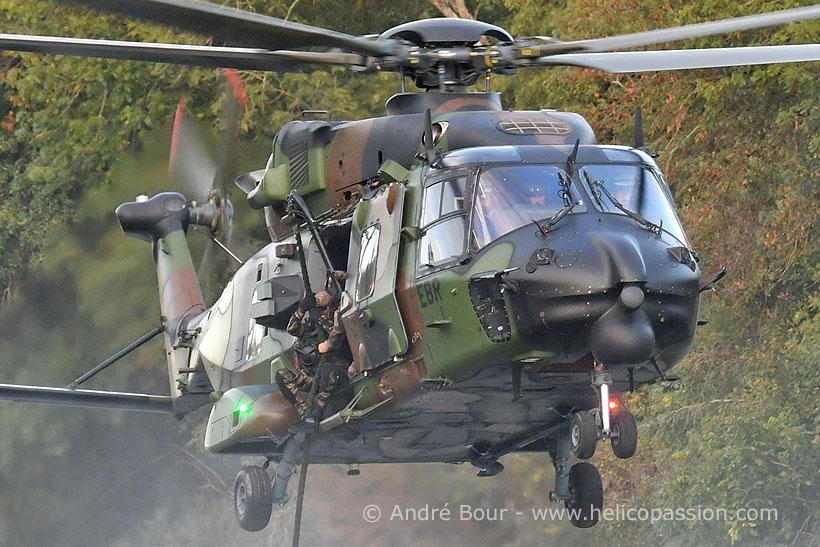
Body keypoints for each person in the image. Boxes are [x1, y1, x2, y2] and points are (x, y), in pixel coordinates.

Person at [275, 279, 349, 431]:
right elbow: (292, 329)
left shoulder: (336, 319)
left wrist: (320, 319)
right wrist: (302, 308)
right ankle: (304, 412)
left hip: (334, 375)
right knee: (282, 375)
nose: (322, 311)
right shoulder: (310, 327)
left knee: (329, 369)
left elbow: (336, 336)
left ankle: (318, 413)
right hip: (312, 377)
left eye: (323, 308)